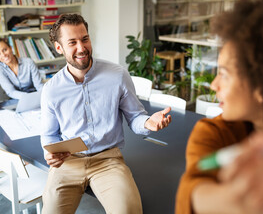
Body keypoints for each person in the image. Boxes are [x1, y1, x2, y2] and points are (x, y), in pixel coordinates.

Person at [175, 0, 263, 214]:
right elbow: (193, 189)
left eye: (224, 74)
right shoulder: (213, 133)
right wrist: (229, 201)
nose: (214, 85)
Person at [40, 13, 172, 214]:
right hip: (69, 162)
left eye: (85, 39)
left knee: (129, 211)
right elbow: (49, 135)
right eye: (72, 42)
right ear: (59, 48)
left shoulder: (117, 75)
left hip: (108, 160)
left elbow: (136, 117)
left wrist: (147, 123)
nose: (82, 48)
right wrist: (49, 154)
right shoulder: (51, 90)